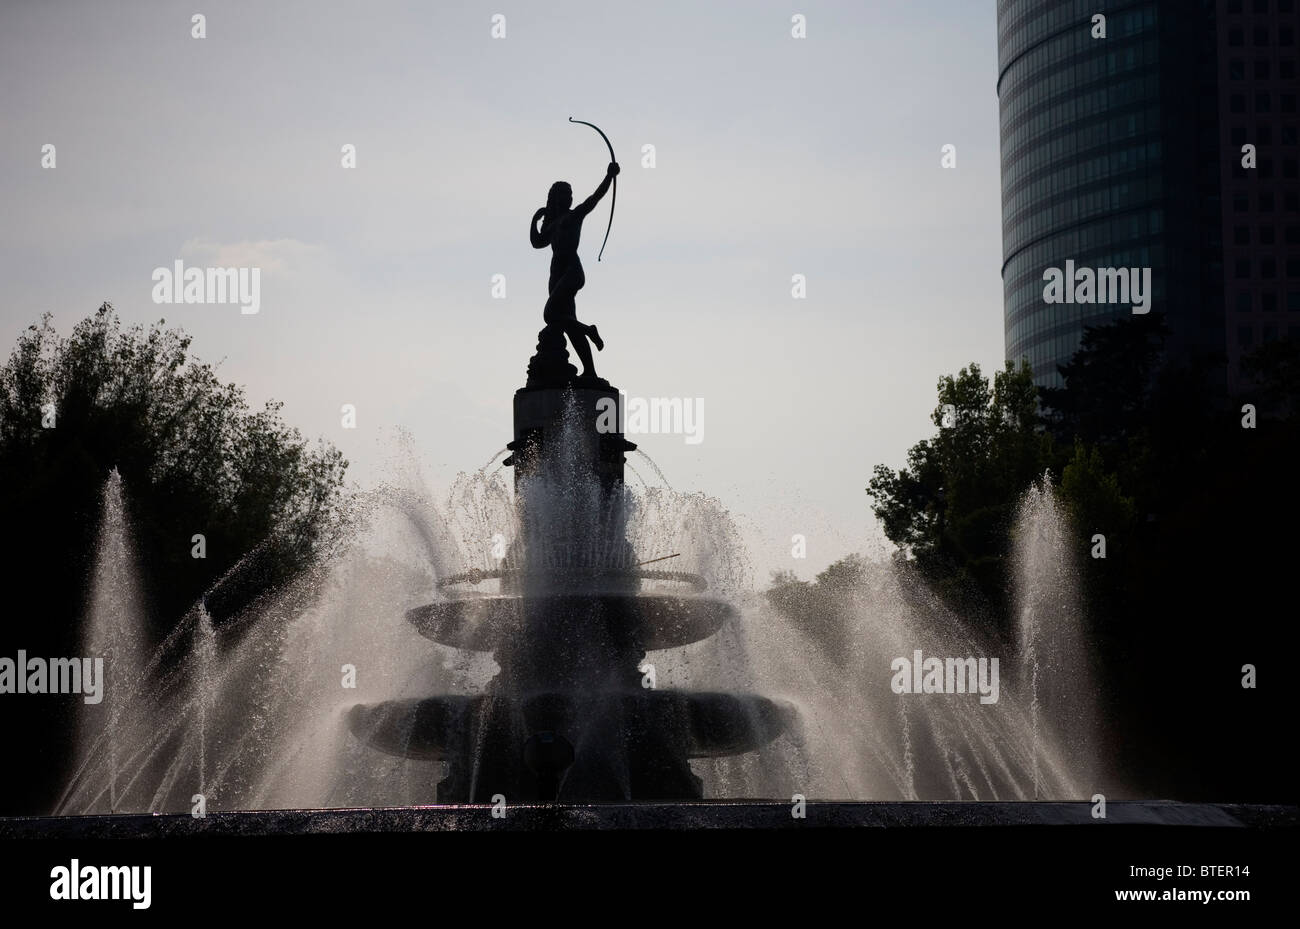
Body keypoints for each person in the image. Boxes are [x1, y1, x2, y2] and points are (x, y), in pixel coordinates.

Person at [530, 161, 619, 378]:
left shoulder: (574, 215)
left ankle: (589, 330)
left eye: (568, 194)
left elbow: (594, 198)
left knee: (550, 314)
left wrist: (609, 176)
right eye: (562, 194)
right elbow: (537, 242)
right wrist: (535, 220)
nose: (566, 198)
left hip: (571, 272)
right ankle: (590, 371)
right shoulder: (552, 224)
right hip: (557, 276)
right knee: (568, 325)